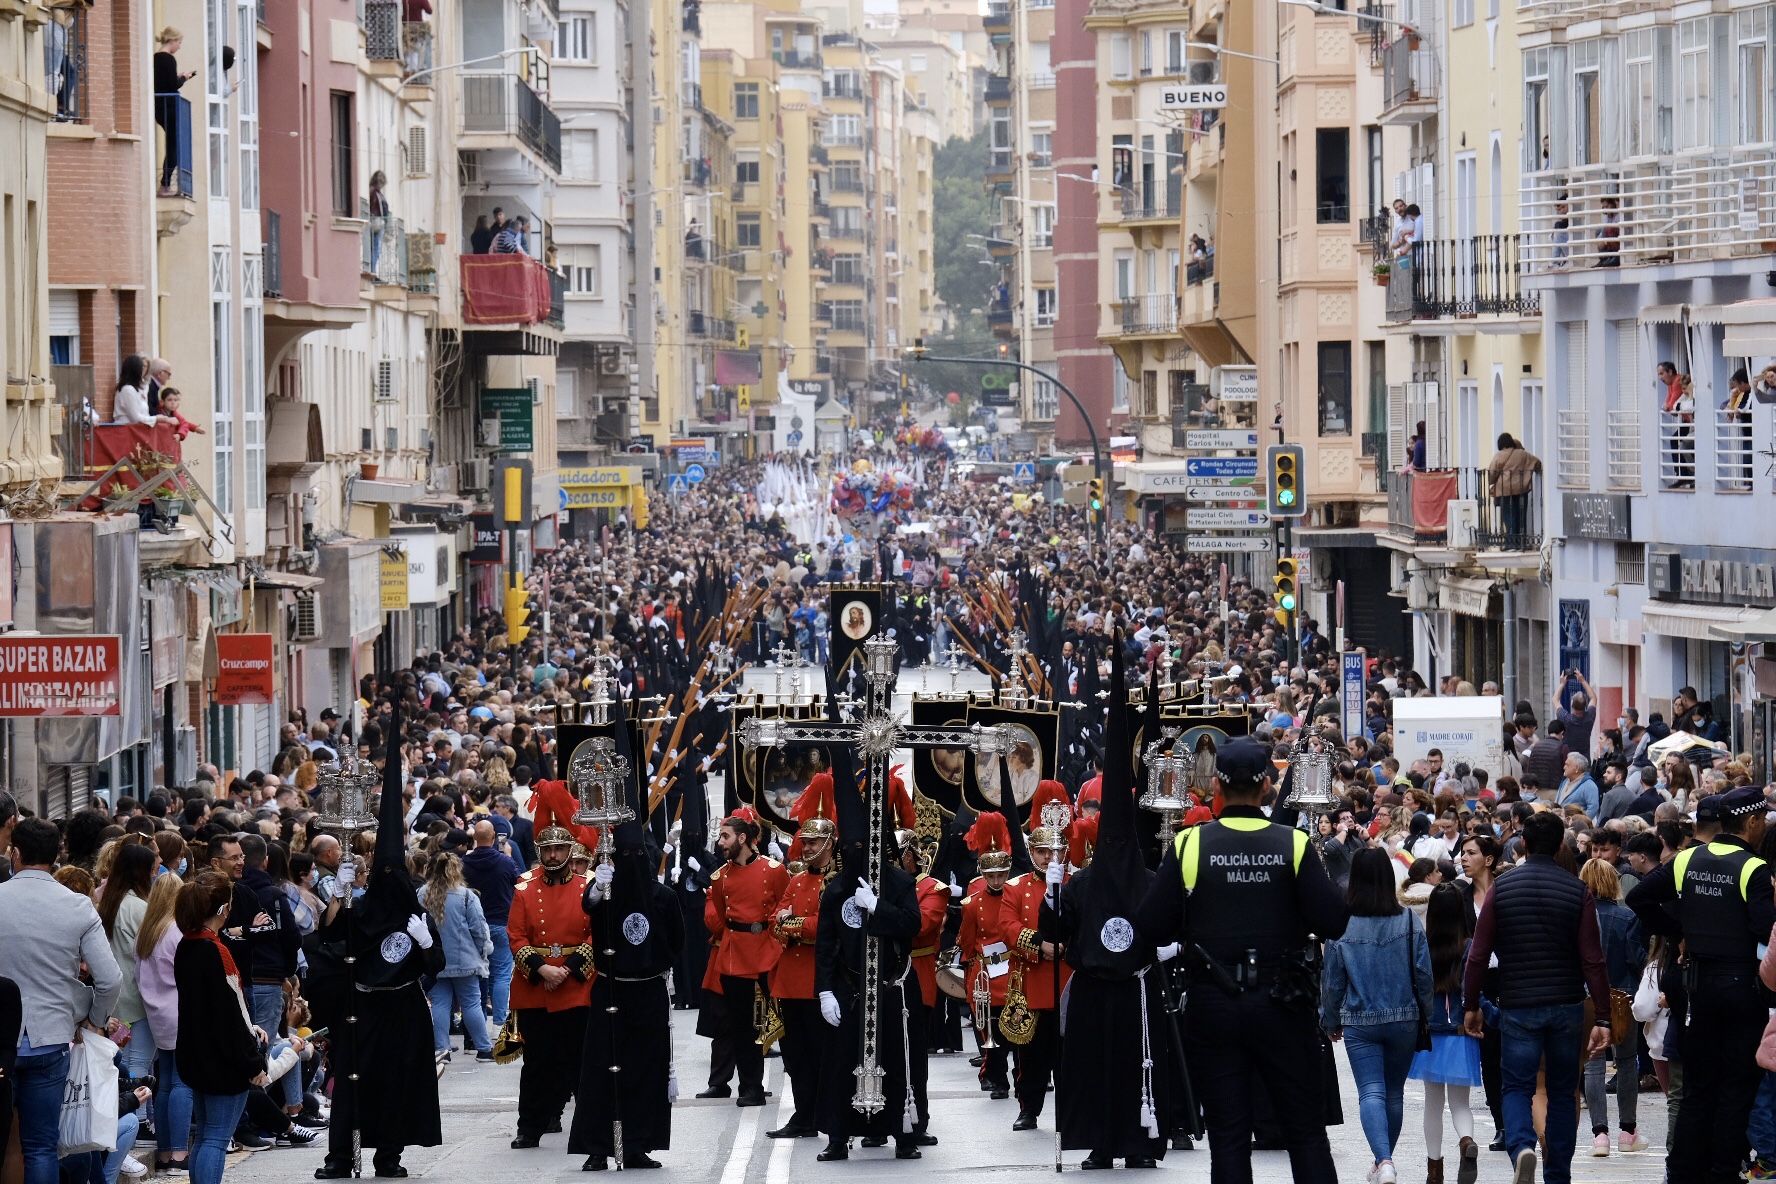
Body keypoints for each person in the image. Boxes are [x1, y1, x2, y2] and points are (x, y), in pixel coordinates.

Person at [1136, 737, 1349, 1182]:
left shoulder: (1189, 844)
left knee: (1228, 1140)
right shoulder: (1292, 843)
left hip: (1214, 1004)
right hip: (1282, 1001)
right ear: (1267, 786)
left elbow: (1151, 927)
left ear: (1216, 784)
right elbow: (1333, 921)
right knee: (1306, 1133)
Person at [1048, 654, 1170, 1169]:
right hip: (1097, 989)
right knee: (1097, 1069)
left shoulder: (1147, 880)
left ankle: (1139, 1144)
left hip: (1137, 987)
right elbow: (1055, 932)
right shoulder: (1080, 884)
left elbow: (1170, 927)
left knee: (1137, 1067)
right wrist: (1053, 893)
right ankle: (1101, 1142)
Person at [313, 713, 445, 1181]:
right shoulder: (361, 909)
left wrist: (426, 943)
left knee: (397, 1086)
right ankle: (339, 1158)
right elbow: (328, 938)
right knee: (352, 1085)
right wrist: (337, 894)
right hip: (362, 1010)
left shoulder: (415, 916)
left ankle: (390, 1156)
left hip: (404, 1010)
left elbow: (437, 962)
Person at [1627, 785, 1774, 1184]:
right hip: (1742, 987)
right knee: (1736, 1086)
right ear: (1754, 820)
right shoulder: (1753, 868)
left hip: (1696, 989)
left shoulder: (1687, 860)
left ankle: (1682, 1170)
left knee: (1696, 1084)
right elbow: (1764, 929)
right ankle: (1723, 1171)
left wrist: (1679, 932)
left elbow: (1638, 898)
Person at [1462, 810, 1613, 1184]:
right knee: (1564, 1090)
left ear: (1523, 844)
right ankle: (1557, 1172)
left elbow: (1479, 954)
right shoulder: (1578, 891)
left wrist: (1471, 1004)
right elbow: (1593, 960)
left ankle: (1522, 1146)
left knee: (1516, 1085)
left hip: (1518, 1004)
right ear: (1561, 844)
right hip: (1566, 1004)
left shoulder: (1502, 889)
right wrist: (1604, 1017)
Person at [0, 816, 125, 1184]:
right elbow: (110, 977)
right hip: (52, 1035)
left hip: (1, 1039)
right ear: (57, 855)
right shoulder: (78, 907)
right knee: (41, 1145)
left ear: (14, 852)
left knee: (8, 1144)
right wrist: (93, 1017)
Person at [569, 819, 684, 1171]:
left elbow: (677, 942)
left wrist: (653, 960)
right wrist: (593, 890)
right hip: (611, 990)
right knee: (599, 1069)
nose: (632, 860)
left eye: (638, 854)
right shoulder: (606, 892)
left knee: (645, 1070)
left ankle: (636, 1145)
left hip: (648, 991)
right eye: (626, 855)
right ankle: (598, 1146)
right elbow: (588, 913)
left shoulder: (663, 896)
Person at [1321, 847, 1432, 1184]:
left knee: (1371, 1090)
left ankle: (1383, 1161)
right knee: (1394, 1092)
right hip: (1404, 1018)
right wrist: (1426, 1015)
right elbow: (1424, 974)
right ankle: (1384, 1160)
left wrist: (1330, 1020)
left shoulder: (1341, 925)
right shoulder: (1409, 920)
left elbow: (1333, 980)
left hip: (1360, 1018)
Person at [175, 871, 271, 1184]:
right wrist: (252, 1061)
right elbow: (229, 1013)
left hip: (196, 1051)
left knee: (205, 1137)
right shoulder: (214, 951)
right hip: (223, 1059)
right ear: (222, 910)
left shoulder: (187, 946)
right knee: (215, 1139)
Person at [506, 824, 596, 1148]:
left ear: (570, 851)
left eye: (559, 849)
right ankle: (529, 1127)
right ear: (539, 852)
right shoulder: (524, 889)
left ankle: (589, 1129)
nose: (553, 855)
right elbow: (516, 936)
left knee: (579, 1061)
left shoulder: (588, 887)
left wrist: (568, 969)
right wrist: (543, 969)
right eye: (548, 850)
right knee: (536, 1063)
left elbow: (594, 934)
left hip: (575, 985)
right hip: (536, 985)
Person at [702, 807, 790, 1109]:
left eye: (725, 837)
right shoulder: (720, 877)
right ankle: (750, 1087)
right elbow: (721, 914)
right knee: (741, 1028)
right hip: (734, 956)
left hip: (766, 951)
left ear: (743, 837)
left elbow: (783, 905)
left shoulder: (774, 870)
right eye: (720, 837)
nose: (720, 842)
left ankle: (805, 1086)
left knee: (782, 1022)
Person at [766, 781, 839, 1140]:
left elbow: (824, 927)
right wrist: (791, 924)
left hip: (819, 978)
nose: (804, 846)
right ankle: (803, 1114)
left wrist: (791, 924)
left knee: (822, 1053)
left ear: (829, 844)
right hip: (790, 978)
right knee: (795, 1057)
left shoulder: (836, 881)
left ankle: (827, 1114)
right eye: (804, 841)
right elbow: (774, 921)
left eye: (812, 842)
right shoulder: (796, 881)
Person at [1410, 882, 1481, 1184]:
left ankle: (1434, 1170)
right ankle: (1466, 1141)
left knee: (1433, 1103)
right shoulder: (1470, 946)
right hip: (1461, 1032)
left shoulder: (1422, 945)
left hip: (1430, 1033)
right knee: (1461, 1102)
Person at [1578, 857, 1645, 1156]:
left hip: (1587, 996)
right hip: (1624, 997)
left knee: (1593, 1064)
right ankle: (1627, 1132)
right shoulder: (1628, 917)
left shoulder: (1577, 916)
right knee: (1627, 1061)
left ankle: (1599, 1135)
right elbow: (1637, 959)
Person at [138, 871, 194, 1174]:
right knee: (182, 1083)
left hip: (156, 1013)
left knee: (165, 1083)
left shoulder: (147, 932)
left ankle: (163, 1151)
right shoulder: (176, 932)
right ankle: (179, 1152)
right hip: (179, 1011)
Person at [420, 850, 494, 1062]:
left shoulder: (422, 894)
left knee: (440, 1004)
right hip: (465, 959)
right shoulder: (466, 896)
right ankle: (484, 1048)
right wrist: (483, 950)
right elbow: (479, 928)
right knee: (471, 1003)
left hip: (434, 960)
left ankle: (441, 1049)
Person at [98, 840, 160, 1080]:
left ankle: (134, 1113)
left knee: (122, 1060)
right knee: (139, 1063)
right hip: (138, 1000)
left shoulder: (107, 903)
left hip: (114, 1000)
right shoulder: (139, 908)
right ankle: (139, 1115)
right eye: (152, 869)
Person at [461, 819, 520, 1029]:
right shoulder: (505, 862)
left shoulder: (463, 863)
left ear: (475, 838)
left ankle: (478, 1020)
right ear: (493, 837)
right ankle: (499, 1019)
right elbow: (520, 885)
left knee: (479, 974)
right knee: (502, 973)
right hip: (501, 923)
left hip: (473, 926)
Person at [153, 28, 197, 195]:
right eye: (179, 43)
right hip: (170, 106)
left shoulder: (155, 58)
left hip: (159, 106)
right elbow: (173, 85)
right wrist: (184, 78)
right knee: (174, 146)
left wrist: (177, 76)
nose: (179, 46)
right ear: (172, 41)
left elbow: (162, 81)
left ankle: (165, 183)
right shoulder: (168, 59)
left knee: (173, 144)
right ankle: (165, 184)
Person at [1484, 434, 1541, 545]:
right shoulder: (1523, 454)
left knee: (1509, 517)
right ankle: (1521, 541)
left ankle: (1511, 542)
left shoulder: (1499, 456)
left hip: (1505, 492)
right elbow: (1537, 463)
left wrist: (1492, 481)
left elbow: (1491, 474)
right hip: (1521, 490)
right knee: (1521, 515)